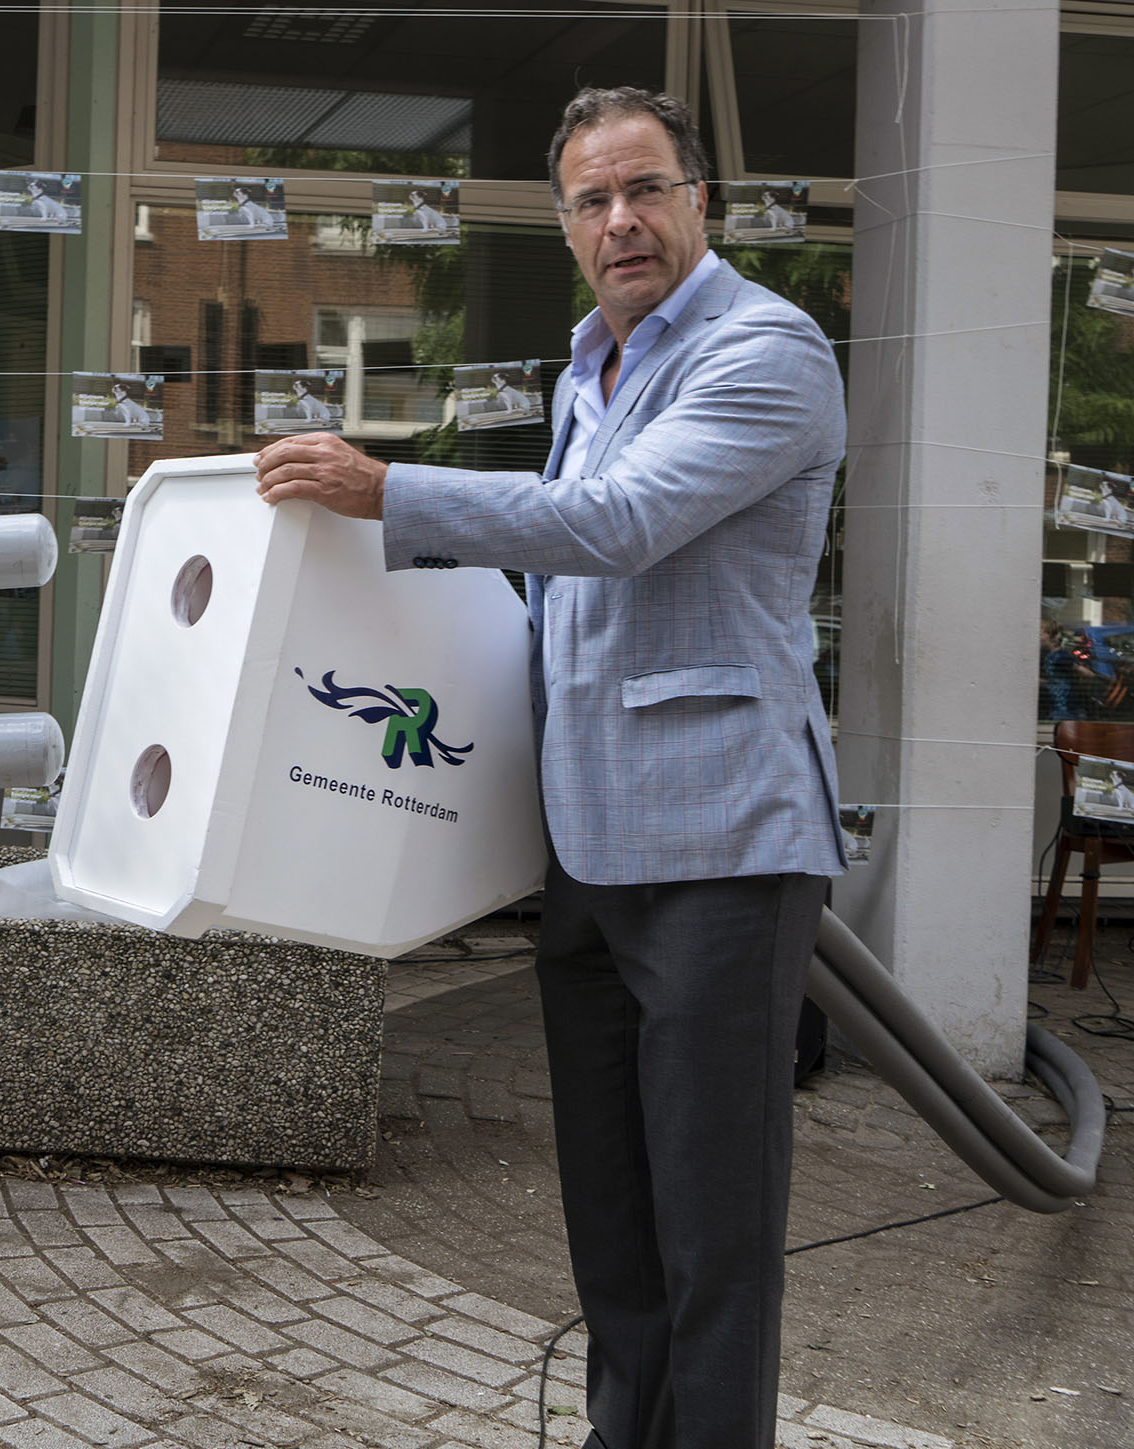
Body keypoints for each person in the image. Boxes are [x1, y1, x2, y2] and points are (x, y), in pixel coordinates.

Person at [254, 87, 846, 1449]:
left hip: (721, 852)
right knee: (613, 1216)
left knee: (712, 1231)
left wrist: (389, 490)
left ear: (700, 201)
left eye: (646, 189)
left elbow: (618, 523)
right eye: (592, 200)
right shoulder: (591, 367)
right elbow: (561, 599)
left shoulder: (767, 347)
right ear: (568, 226)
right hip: (586, 848)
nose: (621, 220)